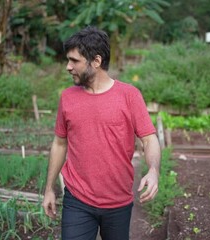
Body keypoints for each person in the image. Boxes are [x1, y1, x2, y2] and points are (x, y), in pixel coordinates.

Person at [41, 26, 161, 240]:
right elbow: (60, 143)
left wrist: (153, 170)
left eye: (74, 61)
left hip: (118, 203)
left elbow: (149, 138)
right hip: (77, 200)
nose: (68, 67)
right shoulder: (67, 97)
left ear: (96, 61)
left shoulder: (129, 95)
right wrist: (49, 188)